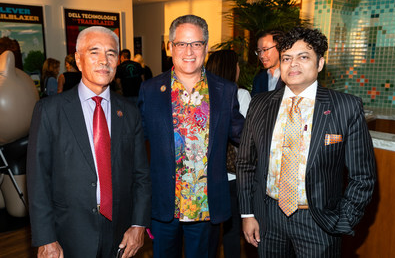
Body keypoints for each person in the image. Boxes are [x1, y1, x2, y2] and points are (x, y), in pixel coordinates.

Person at [237, 27, 376, 257]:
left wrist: (343, 219)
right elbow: (245, 163)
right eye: (287, 58)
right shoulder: (260, 104)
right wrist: (247, 213)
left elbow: (363, 176)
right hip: (268, 219)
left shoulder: (346, 107)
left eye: (303, 57)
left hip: (318, 222)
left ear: (320, 63)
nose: (293, 65)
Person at [27, 26, 151, 258]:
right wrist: (46, 238)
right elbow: (38, 180)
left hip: (120, 232)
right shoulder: (49, 110)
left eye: (111, 53)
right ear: (78, 59)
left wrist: (138, 225)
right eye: (94, 52)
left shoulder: (130, 112)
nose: (104, 60)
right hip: (68, 234)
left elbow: (141, 175)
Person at [138, 15, 244, 258]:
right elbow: (135, 142)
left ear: (205, 48)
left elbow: (244, 135)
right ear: (170, 47)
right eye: (181, 44)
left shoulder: (225, 90)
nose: (189, 51)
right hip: (164, 207)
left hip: (205, 209)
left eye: (196, 44)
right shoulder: (151, 90)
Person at [205, 49, 250, 258]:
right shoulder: (240, 94)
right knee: (232, 232)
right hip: (234, 175)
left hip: (208, 176)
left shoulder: (202, 95)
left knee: (209, 232)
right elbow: (248, 137)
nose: (239, 68)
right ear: (231, 68)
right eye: (237, 65)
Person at [251, 30, 285, 97]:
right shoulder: (258, 79)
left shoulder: (291, 76)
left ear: (280, 47)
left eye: (265, 50)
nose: (261, 55)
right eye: (259, 51)